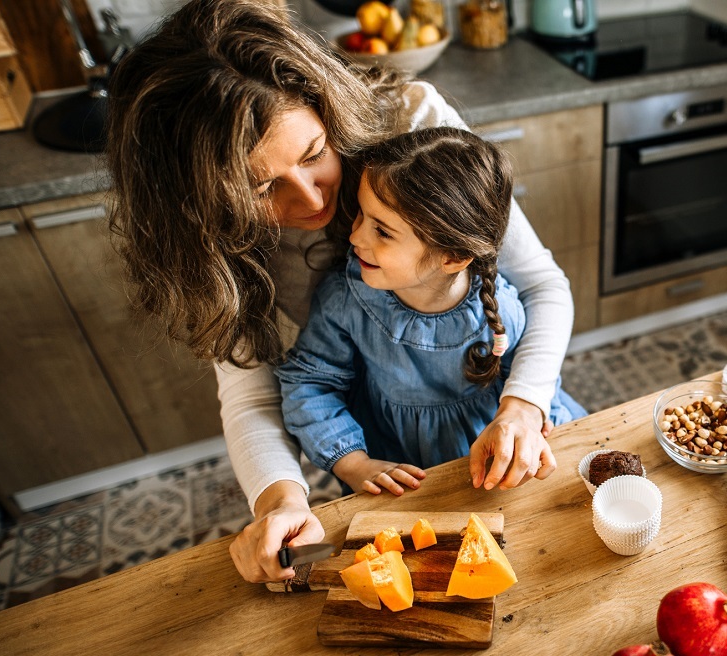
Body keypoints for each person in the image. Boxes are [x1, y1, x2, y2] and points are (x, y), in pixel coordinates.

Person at [105, 0, 576, 584]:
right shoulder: (225, 246)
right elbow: (259, 394)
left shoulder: (414, 128)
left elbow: (541, 286)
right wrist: (281, 501)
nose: (312, 203)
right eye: (261, 188)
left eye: (314, 155)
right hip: (391, 449)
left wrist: (525, 405)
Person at [276, 127, 585, 494]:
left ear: (453, 257)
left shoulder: (498, 306)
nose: (355, 237)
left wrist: (527, 433)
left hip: (495, 471)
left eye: (383, 232)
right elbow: (309, 385)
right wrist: (354, 464)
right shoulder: (345, 300)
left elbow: (533, 386)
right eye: (362, 214)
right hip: (403, 474)